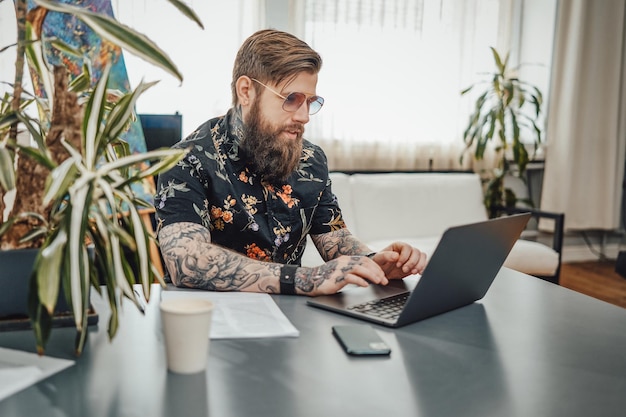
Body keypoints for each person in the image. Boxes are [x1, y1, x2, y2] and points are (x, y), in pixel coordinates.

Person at [154, 29, 427, 296]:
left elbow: (334, 238)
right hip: (208, 322)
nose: (304, 116)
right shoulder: (185, 160)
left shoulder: (311, 159)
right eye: (291, 99)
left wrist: (375, 262)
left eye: (310, 101)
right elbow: (185, 261)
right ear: (246, 91)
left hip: (293, 321)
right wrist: (305, 278)